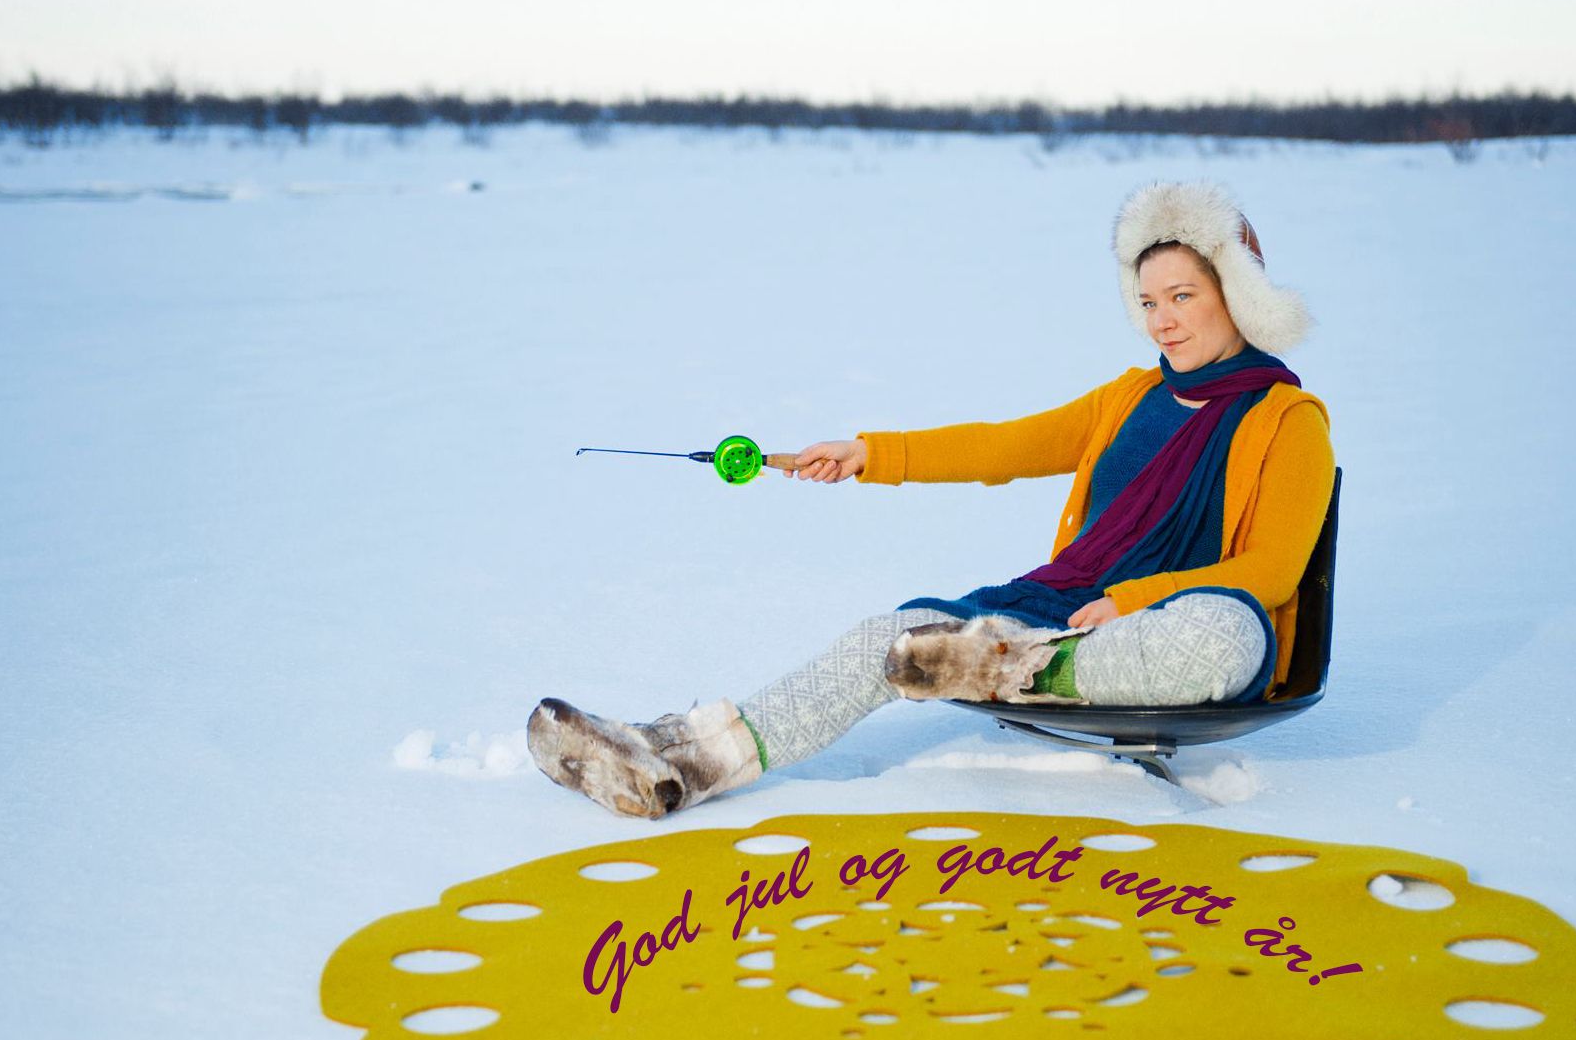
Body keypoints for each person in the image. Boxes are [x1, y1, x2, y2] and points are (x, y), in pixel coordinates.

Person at [528, 179, 1335, 819]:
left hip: (1179, 631)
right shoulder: (1126, 398)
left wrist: (1134, 599)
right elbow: (1003, 444)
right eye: (1149, 300)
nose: (1162, 320)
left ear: (1236, 290)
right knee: (894, 639)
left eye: (1183, 296)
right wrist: (870, 453)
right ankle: (675, 758)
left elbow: (1269, 569)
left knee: (1225, 633)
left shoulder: (1288, 419)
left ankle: (1006, 664)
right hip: (1069, 610)